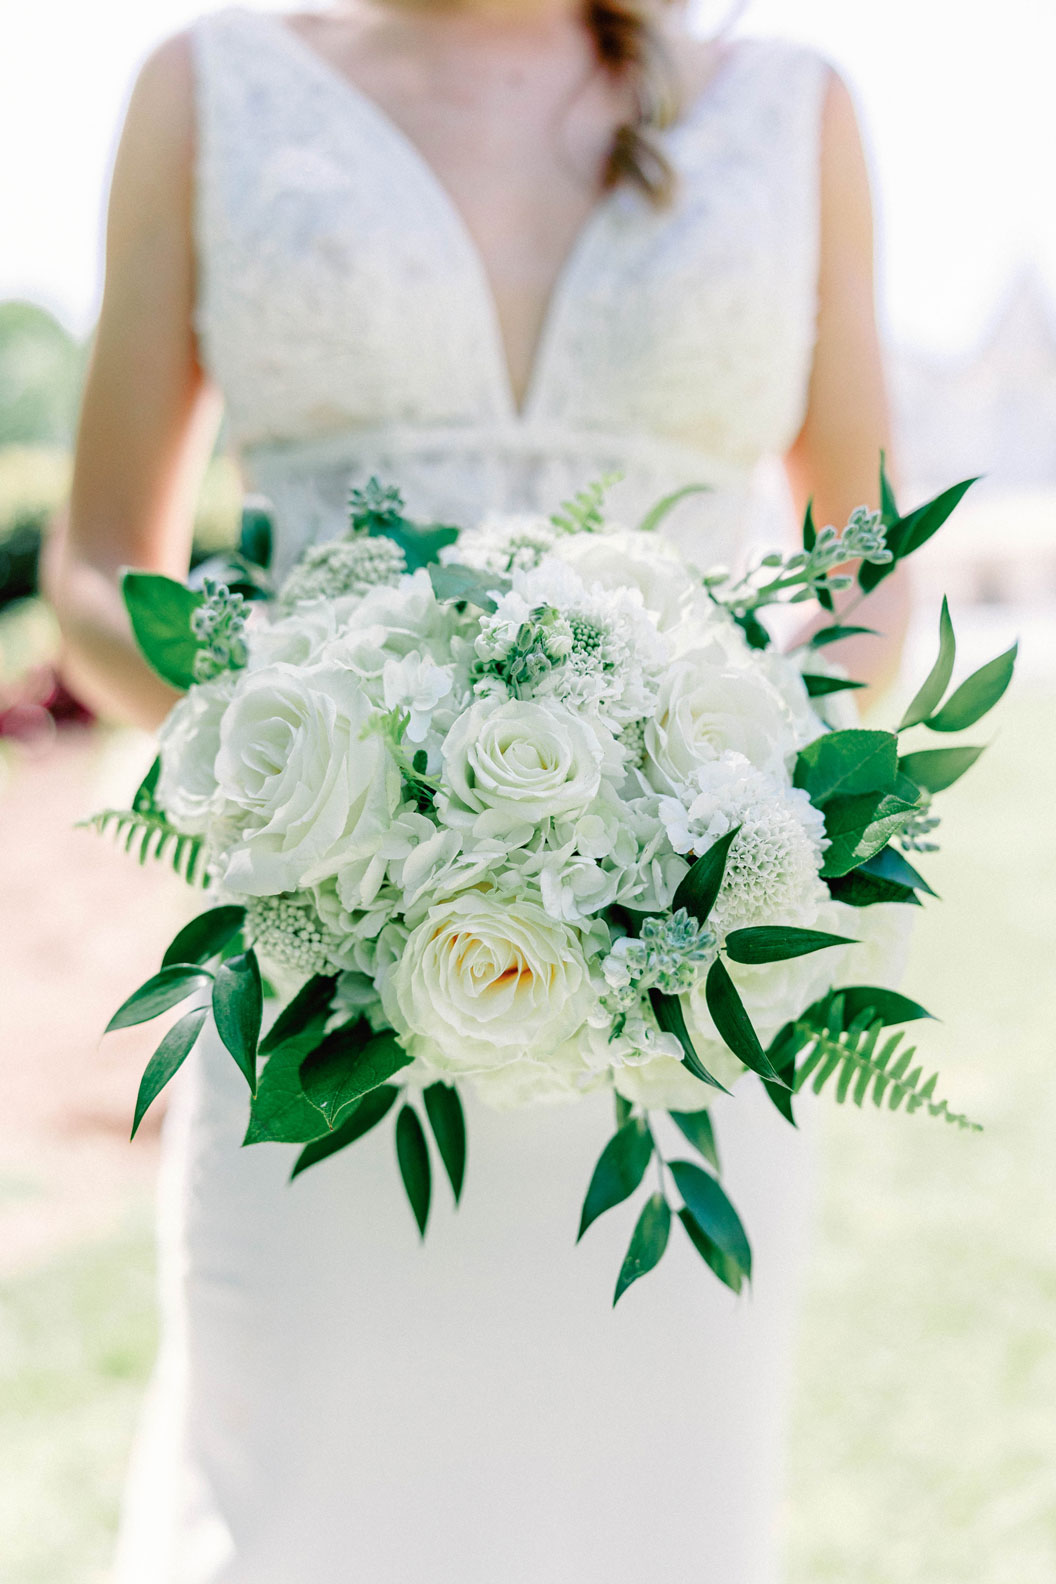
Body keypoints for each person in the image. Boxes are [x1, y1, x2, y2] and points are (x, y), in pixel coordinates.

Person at [45, 1, 909, 1578]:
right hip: (324, 974)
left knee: (652, 1508)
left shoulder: (792, 110)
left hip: (683, 999)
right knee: (297, 1499)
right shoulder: (213, 88)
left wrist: (753, 827)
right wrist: (334, 769)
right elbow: (102, 567)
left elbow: (866, 560)